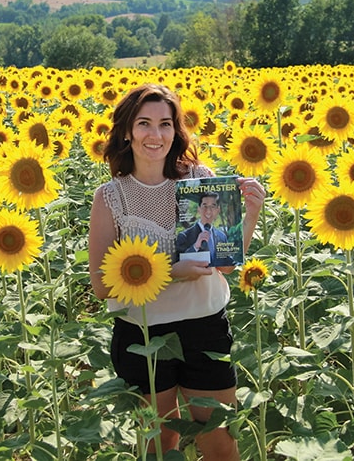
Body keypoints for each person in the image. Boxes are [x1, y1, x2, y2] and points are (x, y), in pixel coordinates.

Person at [88, 83, 265, 460]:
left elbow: (227, 262)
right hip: (143, 335)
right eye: (144, 123)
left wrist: (249, 216)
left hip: (204, 327)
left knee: (220, 446)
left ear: (176, 130)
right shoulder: (110, 197)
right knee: (159, 447)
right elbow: (102, 286)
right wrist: (172, 271)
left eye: (165, 124)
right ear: (126, 130)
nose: (156, 135)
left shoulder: (198, 178)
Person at [175, 192, 236, 267]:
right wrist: (195, 247)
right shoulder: (184, 236)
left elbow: (227, 263)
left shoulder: (222, 236)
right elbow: (178, 265)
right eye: (205, 206)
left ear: (218, 210)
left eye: (212, 206)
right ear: (199, 209)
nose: (208, 211)